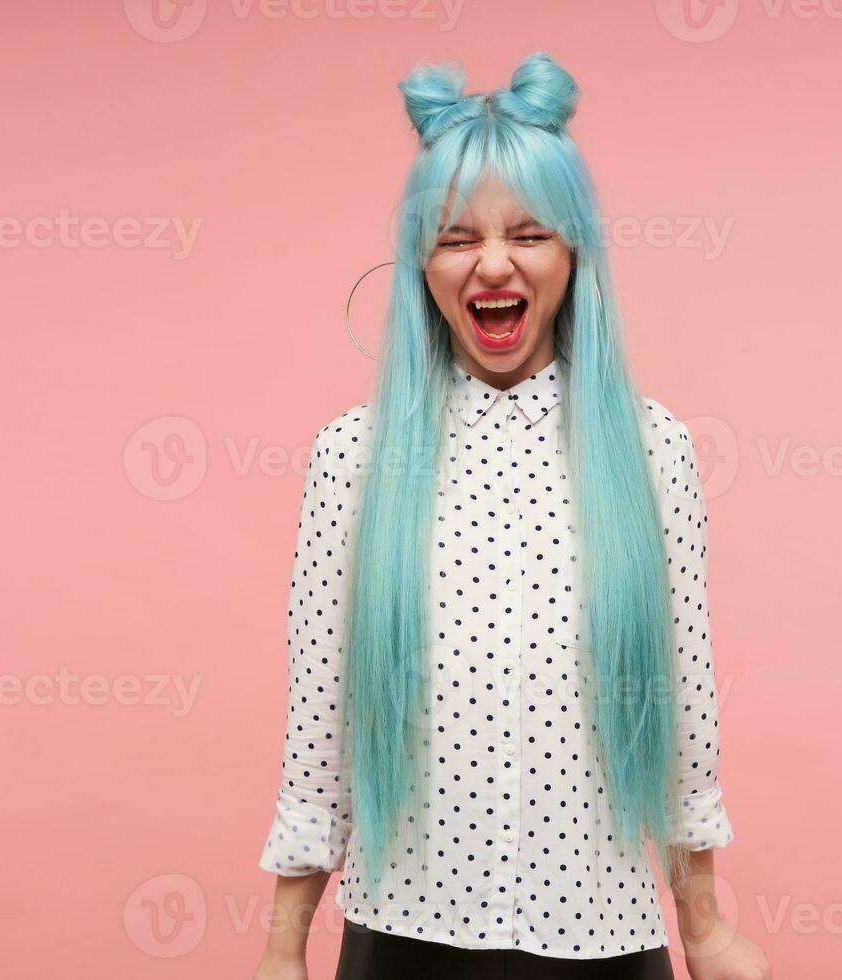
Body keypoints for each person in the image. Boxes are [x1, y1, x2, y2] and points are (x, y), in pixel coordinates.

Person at [254, 51, 771, 980]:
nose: (493, 262)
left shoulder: (653, 452)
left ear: (574, 254)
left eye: (529, 233)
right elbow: (320, 717)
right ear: (421, 259)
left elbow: (682, 710)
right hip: (400, 940)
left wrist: (705, 933)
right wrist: (283, 945)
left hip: (604, 941)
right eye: (457, 238)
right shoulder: (354, 457)